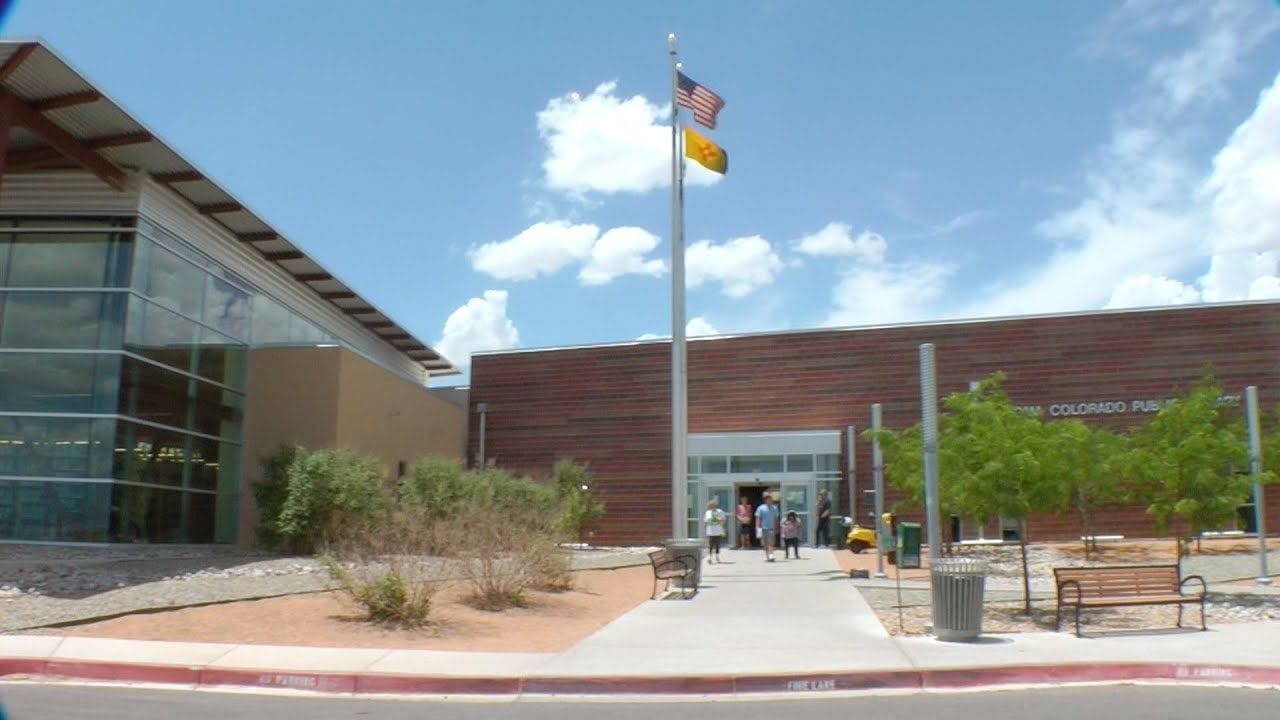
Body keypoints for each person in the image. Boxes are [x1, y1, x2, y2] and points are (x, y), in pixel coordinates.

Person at [755, 494, 780, 562]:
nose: (769, 500)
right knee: (764, 543)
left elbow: (776, 518)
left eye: (770, 499)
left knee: (771, 542)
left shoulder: (775, 508)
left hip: (771, 528)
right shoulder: (761, 508)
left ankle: (771, 554)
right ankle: (767, 555)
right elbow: (758, 518)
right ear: (765, 500)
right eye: (768, 499)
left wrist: (777, 527)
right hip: (763, 528)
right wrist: (757, 527)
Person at [703, 499, 727, 563]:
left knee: (717, 544)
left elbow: (723, 520)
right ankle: (710, 557)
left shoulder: (720, 511)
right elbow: (706, 522)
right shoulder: (707, 512)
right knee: (710, 545)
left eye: (713, 506)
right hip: (710, 531)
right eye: (710, 506)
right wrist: (705, 530)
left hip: (718, 531)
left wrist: (722, 528)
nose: (712, 508)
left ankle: (717, 556)